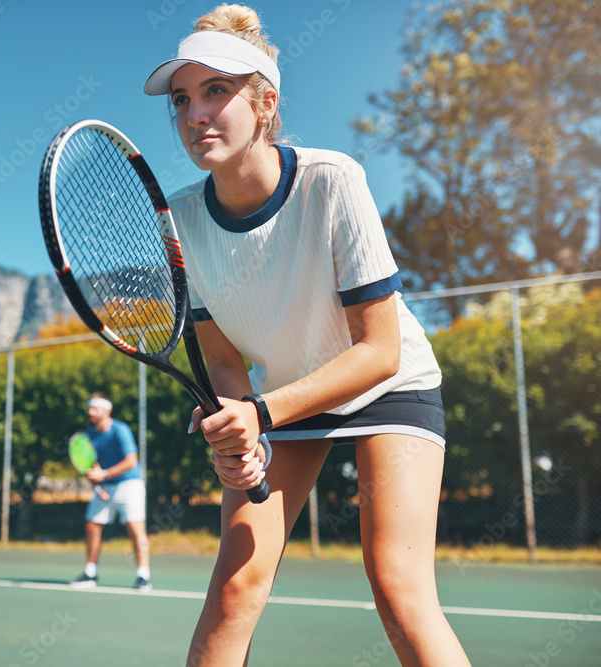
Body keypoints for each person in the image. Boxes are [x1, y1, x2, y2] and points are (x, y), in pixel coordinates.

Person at [142, 4, 471, 665]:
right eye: (181, 99)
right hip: (287, 397)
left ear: (264, 104)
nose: (194, 114)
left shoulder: (332, 180)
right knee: (233, 594)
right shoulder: (176, 220)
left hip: (388, 383)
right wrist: (243, 428)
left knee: (399, 587)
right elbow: (222, 358)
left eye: (216, 91)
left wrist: (259, 414)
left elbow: (377, 350)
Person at [69, 393, 152, 591]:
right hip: (106, 487)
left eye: (95, 409)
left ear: (107, 411)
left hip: (129, 484)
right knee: (92, 525)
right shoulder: (88, 436)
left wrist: (104, 475)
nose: (90, 412)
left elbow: (131, 461)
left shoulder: (120, 430)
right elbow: (90, 469)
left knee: (135, 527)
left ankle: (143, 576)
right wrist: (98, 487)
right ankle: (90, 573)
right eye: (89, 408)